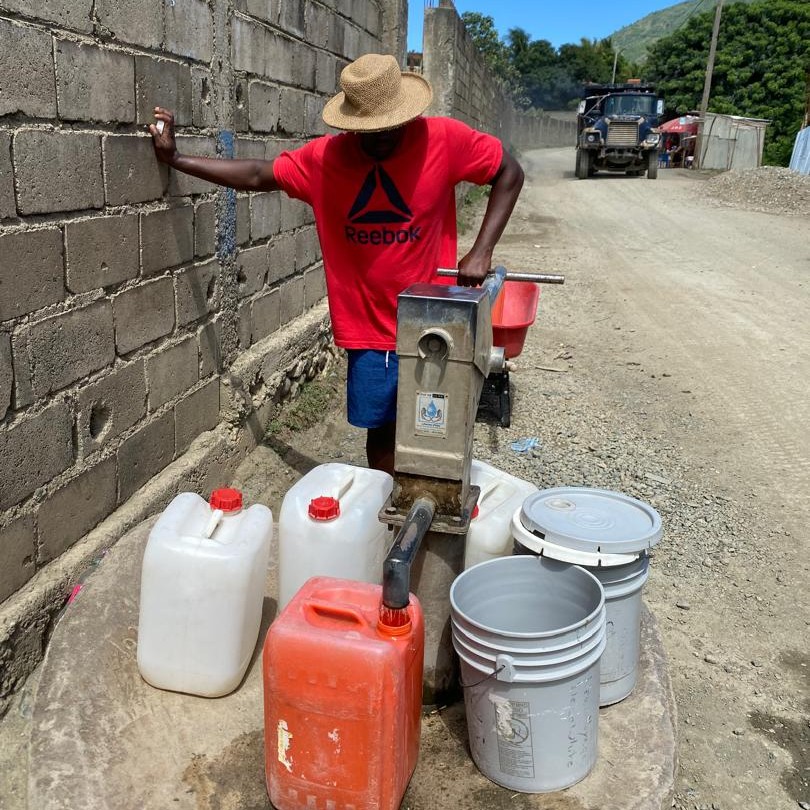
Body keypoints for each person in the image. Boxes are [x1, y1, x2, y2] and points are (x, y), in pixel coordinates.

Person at [149, 53, 524, 475]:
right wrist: (177, 159)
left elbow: (509, 172)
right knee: (381, 432)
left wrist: (482, 249)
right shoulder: (326, 160)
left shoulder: (444, 140)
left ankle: (433, 499)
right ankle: (388, 504)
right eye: (368, 131)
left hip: (433, 321)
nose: (379, 139)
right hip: (369, 328)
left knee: (436, 426)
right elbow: (257, 174)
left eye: (389, 128)